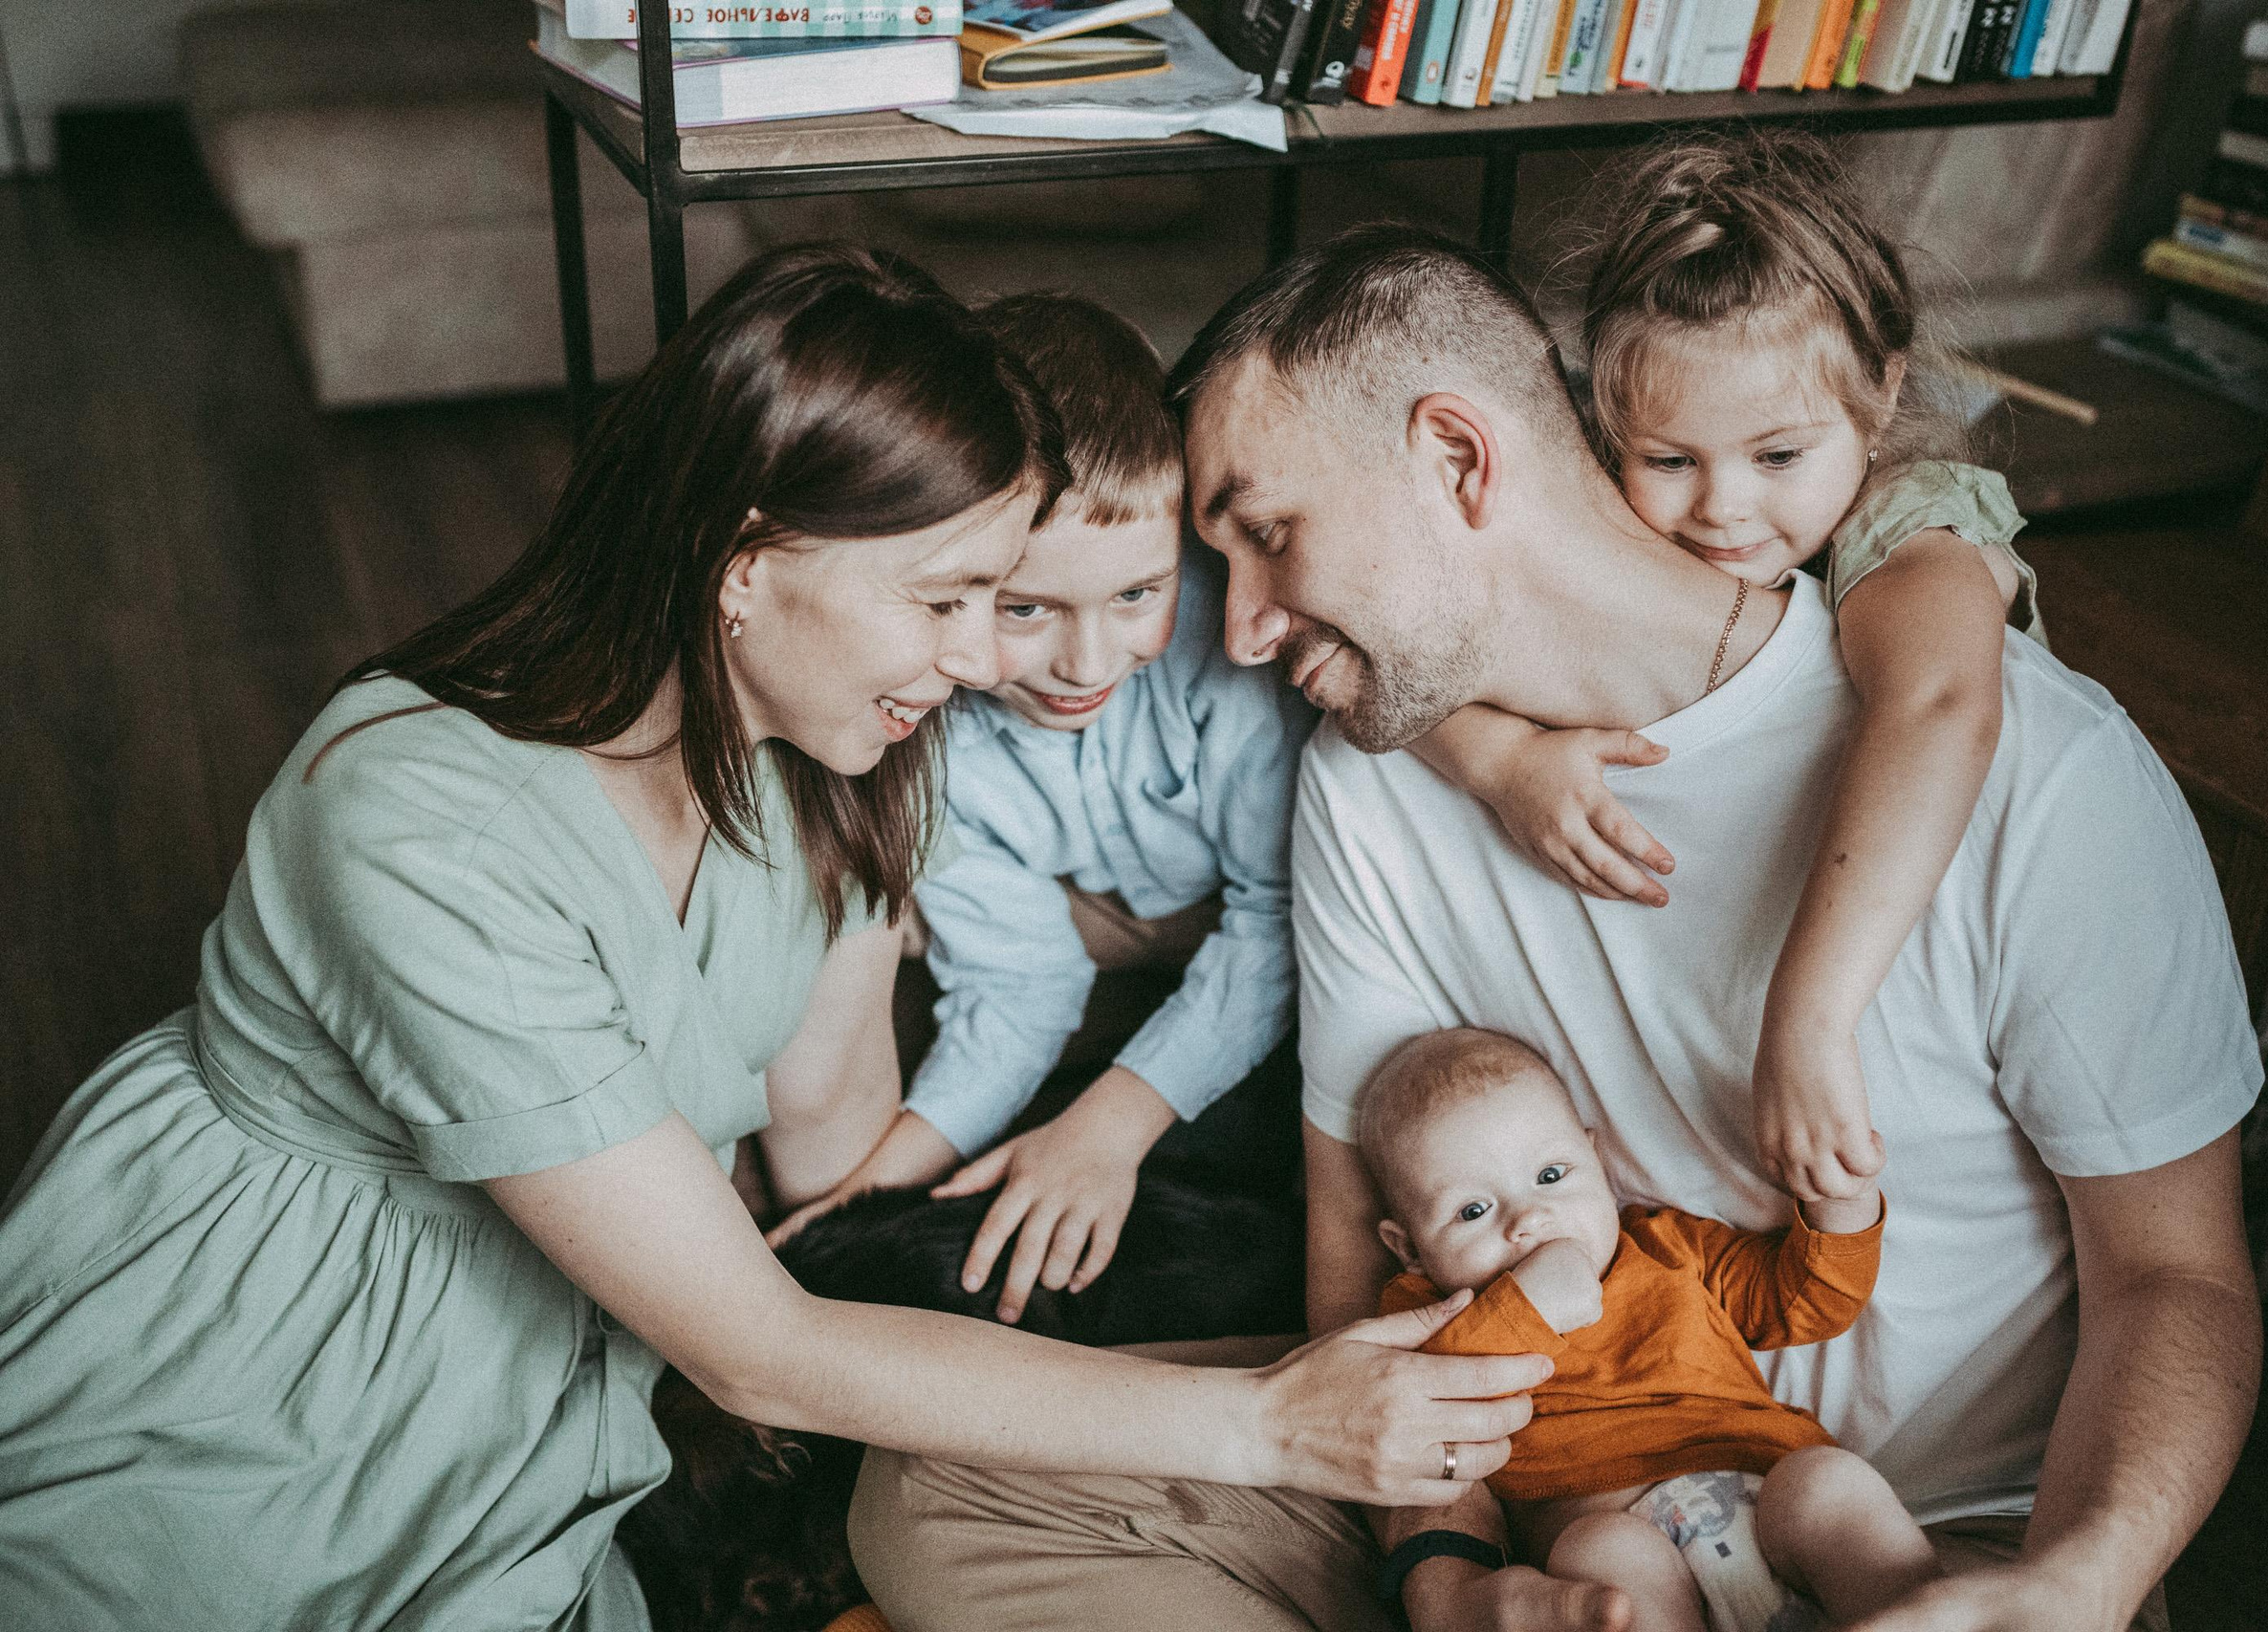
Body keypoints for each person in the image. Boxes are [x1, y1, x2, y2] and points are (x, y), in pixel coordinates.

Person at [0, 245, 1548, 1628]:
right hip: (267, 1365)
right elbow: (758, 1345)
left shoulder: (837, 756)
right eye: (945, 600)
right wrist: (1268, 1422)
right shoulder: (415, 820)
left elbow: (827, 1144)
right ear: (746, 560)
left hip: (570, 1367)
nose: (972, 662)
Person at [850, 226, 2263, 1632]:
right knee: (932, 1496)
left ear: (1459, 461)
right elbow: (1362, 1274)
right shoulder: (1372, 776)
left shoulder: (2034, 764)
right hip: (1547, 1512)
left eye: (1270, 534)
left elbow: (2176, 1276)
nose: (1245, 631)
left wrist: (2072, 1585)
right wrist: (1445, 1569)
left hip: (1922, 1543)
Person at [1414, 129, 2044, 1208]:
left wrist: (1806, 1021)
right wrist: (1500, 758)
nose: (1723, 506)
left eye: (1778, 456)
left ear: (1881, 393)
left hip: (1919, 951)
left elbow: (1939, 704)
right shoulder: (1610, 510)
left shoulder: (1909, 524)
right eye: (1668, 459)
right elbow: (1402, 648)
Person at [764, 292, 1316, 1325]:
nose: (1086, 663)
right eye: (1025, 609)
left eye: (1137, 597)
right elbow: (1019, 988)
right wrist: (855, 1207)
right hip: (1113, 964)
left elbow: (1279, 923)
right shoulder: (926, 734)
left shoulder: (1225, 656)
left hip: (1282, 977)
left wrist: (1114, 1121)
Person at [1359, 1027, 1934, 1632]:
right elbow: (1413, 1403)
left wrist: (1841, 1204)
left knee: (1830, 1482)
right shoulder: (1426, 1310)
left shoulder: (1669, 1248)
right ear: (1410, 1249)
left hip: (1764, 1493)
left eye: (1552, 1175)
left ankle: (1928, 1619)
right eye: (1473, 1211)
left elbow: (1804, 1302)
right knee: (1604, 1551)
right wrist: (1528, 1309)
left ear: (1597, 1162)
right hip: (1609, 1533)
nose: (1530, 1218)